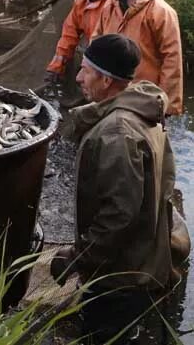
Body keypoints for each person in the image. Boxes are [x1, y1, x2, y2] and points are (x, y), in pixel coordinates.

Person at [51, 34, 189, 345]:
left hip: (123, 277)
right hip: (147, 259)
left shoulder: (117, 133)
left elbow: (118, 216)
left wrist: (77, 258)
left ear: (106, 78)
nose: (78, 77)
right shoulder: (143, 107)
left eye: (85, 69)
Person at [92, 0, 183, 114]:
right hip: (110, 94)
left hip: (145, 96)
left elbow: (172, 60)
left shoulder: (162, 12)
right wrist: (94, 83)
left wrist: (166, 104)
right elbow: (95, 44)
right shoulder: (108, 7)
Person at [45, 0, 115, 82]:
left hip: (115, 57)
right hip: (93, 59)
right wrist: (56, 67)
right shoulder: (81, 4)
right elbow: (68, 35)